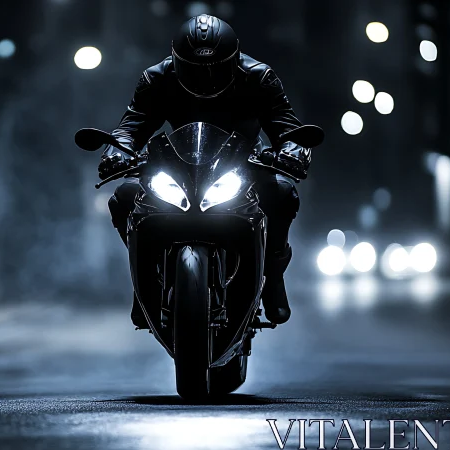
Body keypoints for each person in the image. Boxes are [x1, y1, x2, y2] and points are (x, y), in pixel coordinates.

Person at [100, 14, 312, 328]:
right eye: (195, 68)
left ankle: (273, 276)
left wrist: (294, 149)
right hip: (175, 166)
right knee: (124, 196)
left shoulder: (259, 77)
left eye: (215, 67)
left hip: (242, 165)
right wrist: (116, 151)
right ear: (176, 59)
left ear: (234, 58)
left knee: (281, 193)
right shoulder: (156, 78)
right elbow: (131, 126)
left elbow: (286, 125)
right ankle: (145, 282)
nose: (206, 76)